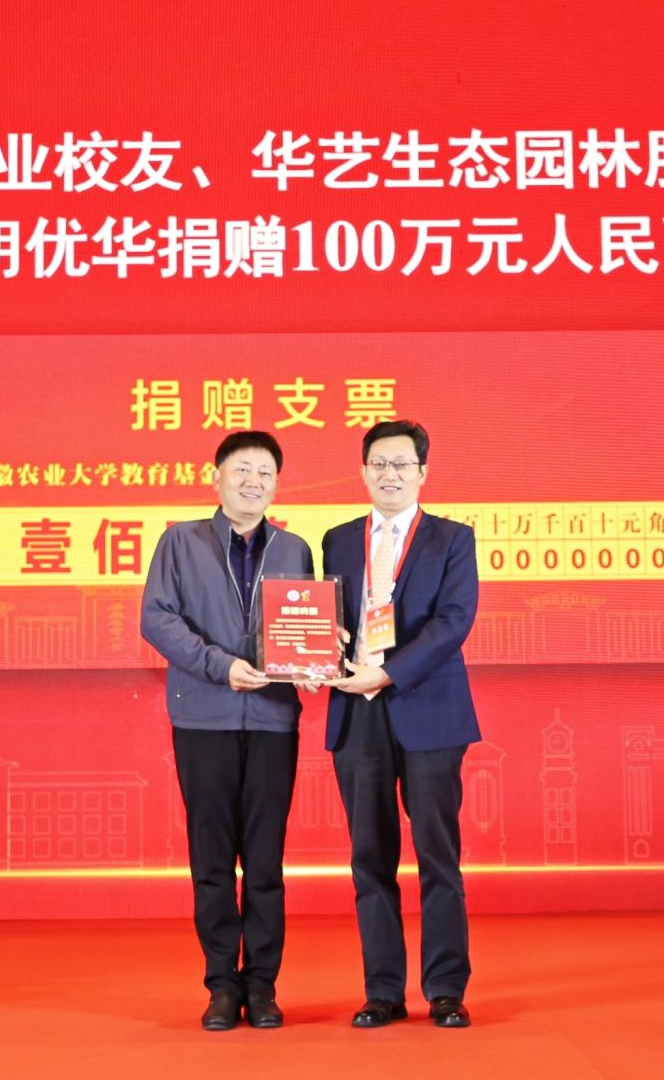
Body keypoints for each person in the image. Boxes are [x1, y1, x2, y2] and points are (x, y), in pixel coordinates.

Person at [140, 430, 314, 1031]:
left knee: (265, 861)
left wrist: (315, 663)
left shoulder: (294, 548)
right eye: (242, 470)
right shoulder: (180, 542)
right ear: (215, 477)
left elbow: (306, 626)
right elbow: (157, 619)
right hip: (203, 718)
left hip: (272, 720)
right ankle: (221, 984)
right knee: (212, 859)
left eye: (265, 472)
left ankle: (262, 985)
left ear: (277, 484)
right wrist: (220, 665)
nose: (253, 482)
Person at [325, 419, 481, 1029]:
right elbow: (327, 618)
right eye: (379, 464)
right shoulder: (337, 539)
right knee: (369, 857)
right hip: (357, 712)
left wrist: (388, 673)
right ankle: (382, 991)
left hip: (428, 710)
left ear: (422, 472)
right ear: (363, 471)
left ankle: (445, 989)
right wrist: (321, 654)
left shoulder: (452, 539)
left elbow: (453, 622)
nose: (389, 474)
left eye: (401, 464)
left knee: (438, 854)